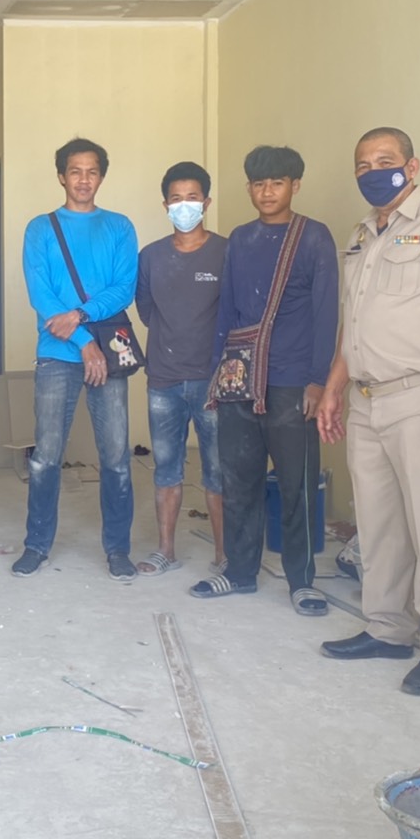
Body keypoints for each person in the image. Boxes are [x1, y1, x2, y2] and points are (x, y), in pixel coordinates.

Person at [317, 127, 420, 697]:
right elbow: (354, 324)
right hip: (365, 399)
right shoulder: (362, 234)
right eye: (362, 164)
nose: (372, 171)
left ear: (412, 167)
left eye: (384, 161)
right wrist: (334, 388)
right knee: (379, 524)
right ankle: (387, 628)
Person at [190, 145, 337, 616]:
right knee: (239, 479)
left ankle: (302, 581)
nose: (267, 191)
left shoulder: (313, 237)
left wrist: (318, 380)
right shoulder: (240, 238)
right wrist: (218, 372)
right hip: (239, 379)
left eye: (276, 182)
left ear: (295, 185)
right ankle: (239, 572)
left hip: (294, 381)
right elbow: (227, 310)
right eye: (258, 183)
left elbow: (327, 313)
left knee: (297, 484)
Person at [11, 138, 139, 582]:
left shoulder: (119, 227)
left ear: (101, 176)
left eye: (92, 171)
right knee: (46, 456)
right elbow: (41, 295)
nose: (84, 180)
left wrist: (81, 317)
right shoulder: (40, 229)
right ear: (61, 176)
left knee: (116, 456)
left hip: (108, 354)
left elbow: (124, 288)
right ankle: (36, 544)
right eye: (75, 171)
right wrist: (84, 341)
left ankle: (118, 549)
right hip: (57, 355)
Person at [134, 161, 228, 577]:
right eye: (176, 199)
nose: (184, 205)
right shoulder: (151, 257)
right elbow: (146, 309)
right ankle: (166, 550)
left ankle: (224, 554)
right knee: (166, 468)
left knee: (218, 472)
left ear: (206, 202)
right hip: (164, 379)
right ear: (165, 205)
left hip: (214, 381)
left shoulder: (226, 252)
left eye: (192, 198)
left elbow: (235, 311)